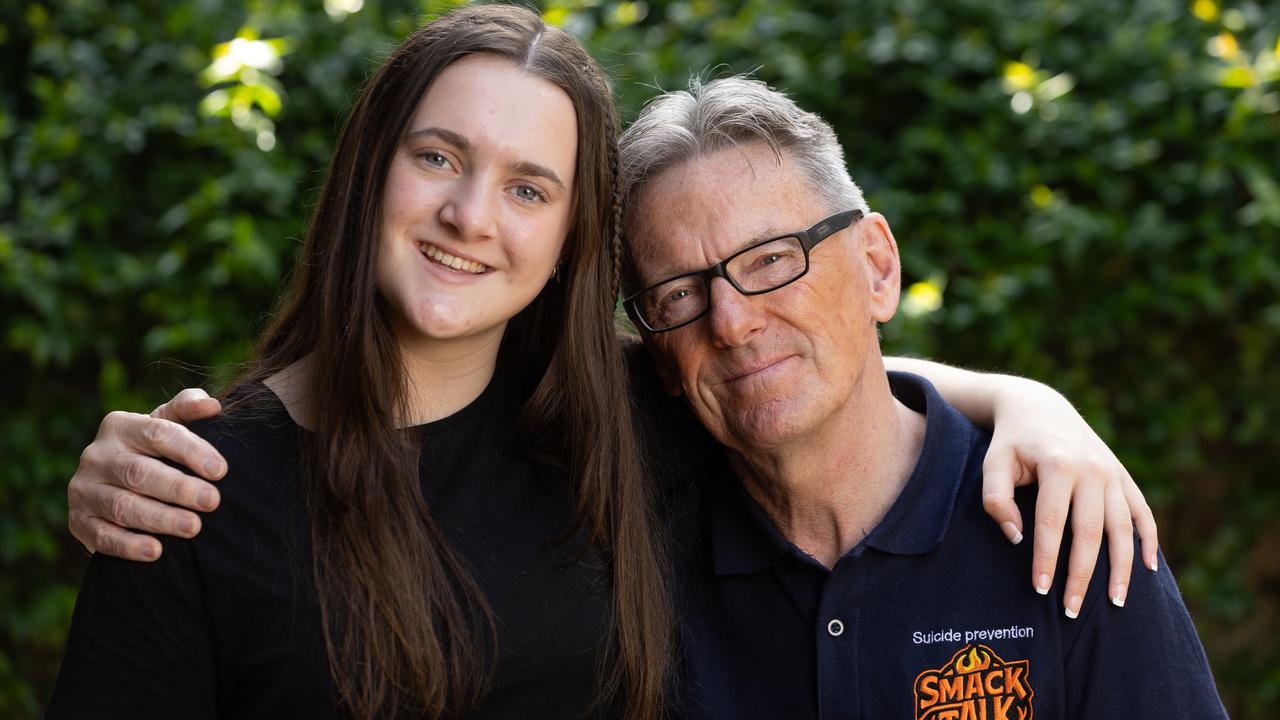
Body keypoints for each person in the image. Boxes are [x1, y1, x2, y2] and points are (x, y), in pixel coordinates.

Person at [54, 5, 1157, 718]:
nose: (468, 216)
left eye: (530, 186)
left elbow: (792, 364)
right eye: (436, 156)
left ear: (569, 240)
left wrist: (1031, 405)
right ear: (366, 172)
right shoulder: (188, 491)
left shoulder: (615, 428)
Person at [615, 76, 1226, 718]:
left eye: (772, 260)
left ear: (877, 267)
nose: (732, 324)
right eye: (678, 294)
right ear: (654, 349)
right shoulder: (633, 572)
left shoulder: (1067, 522)